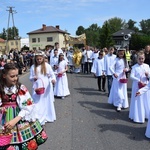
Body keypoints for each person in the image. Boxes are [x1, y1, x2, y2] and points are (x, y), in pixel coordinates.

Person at [0, 63, 47, 150]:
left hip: (19, 117)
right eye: (12, 76)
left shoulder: (20, 87)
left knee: (21, 142)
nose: (15, 78)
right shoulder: (1, 87)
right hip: (3, 117)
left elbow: (28, 106)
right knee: (4, 140)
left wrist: (15, 120)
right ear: (4, 76)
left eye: (16, 76)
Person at [29, 51, 56, 125]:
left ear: (43, 58)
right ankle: (38, 117)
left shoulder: (47, 66)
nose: (39, 60)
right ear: (35, 59)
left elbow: (52, 75)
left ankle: (47, 116)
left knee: (46, 101)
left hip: (46, 86)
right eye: (37, 59)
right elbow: (30, 78)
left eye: (40, 59)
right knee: (37, 101)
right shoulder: (33, 67)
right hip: (37, 86)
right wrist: (33, 78)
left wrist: (53, 79)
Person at [129, 51, 150, 123]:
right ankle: (138, 116)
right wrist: (138, 80)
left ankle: (146, 115)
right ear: (137, 59)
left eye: (142, 58)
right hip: (137, 86)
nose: (141, 60)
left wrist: (148, 75)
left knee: (146, 100)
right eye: (140, 59)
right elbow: (131, 76)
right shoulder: (134, 67)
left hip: (145, 86)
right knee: (138, 101)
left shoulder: (147, 66)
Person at [108, 47, 129, 112]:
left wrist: (126, 69)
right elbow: (110, 67)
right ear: (118, 53)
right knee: (118, 91)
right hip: (117, 77)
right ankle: (118, 104)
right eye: (120, 54)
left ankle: (122, 103)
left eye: (122, 54)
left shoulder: (125, 60)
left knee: (123, 90)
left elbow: (128, 68)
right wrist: (114, 73)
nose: (121, 55)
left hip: (123, 77)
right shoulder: (116, 59)